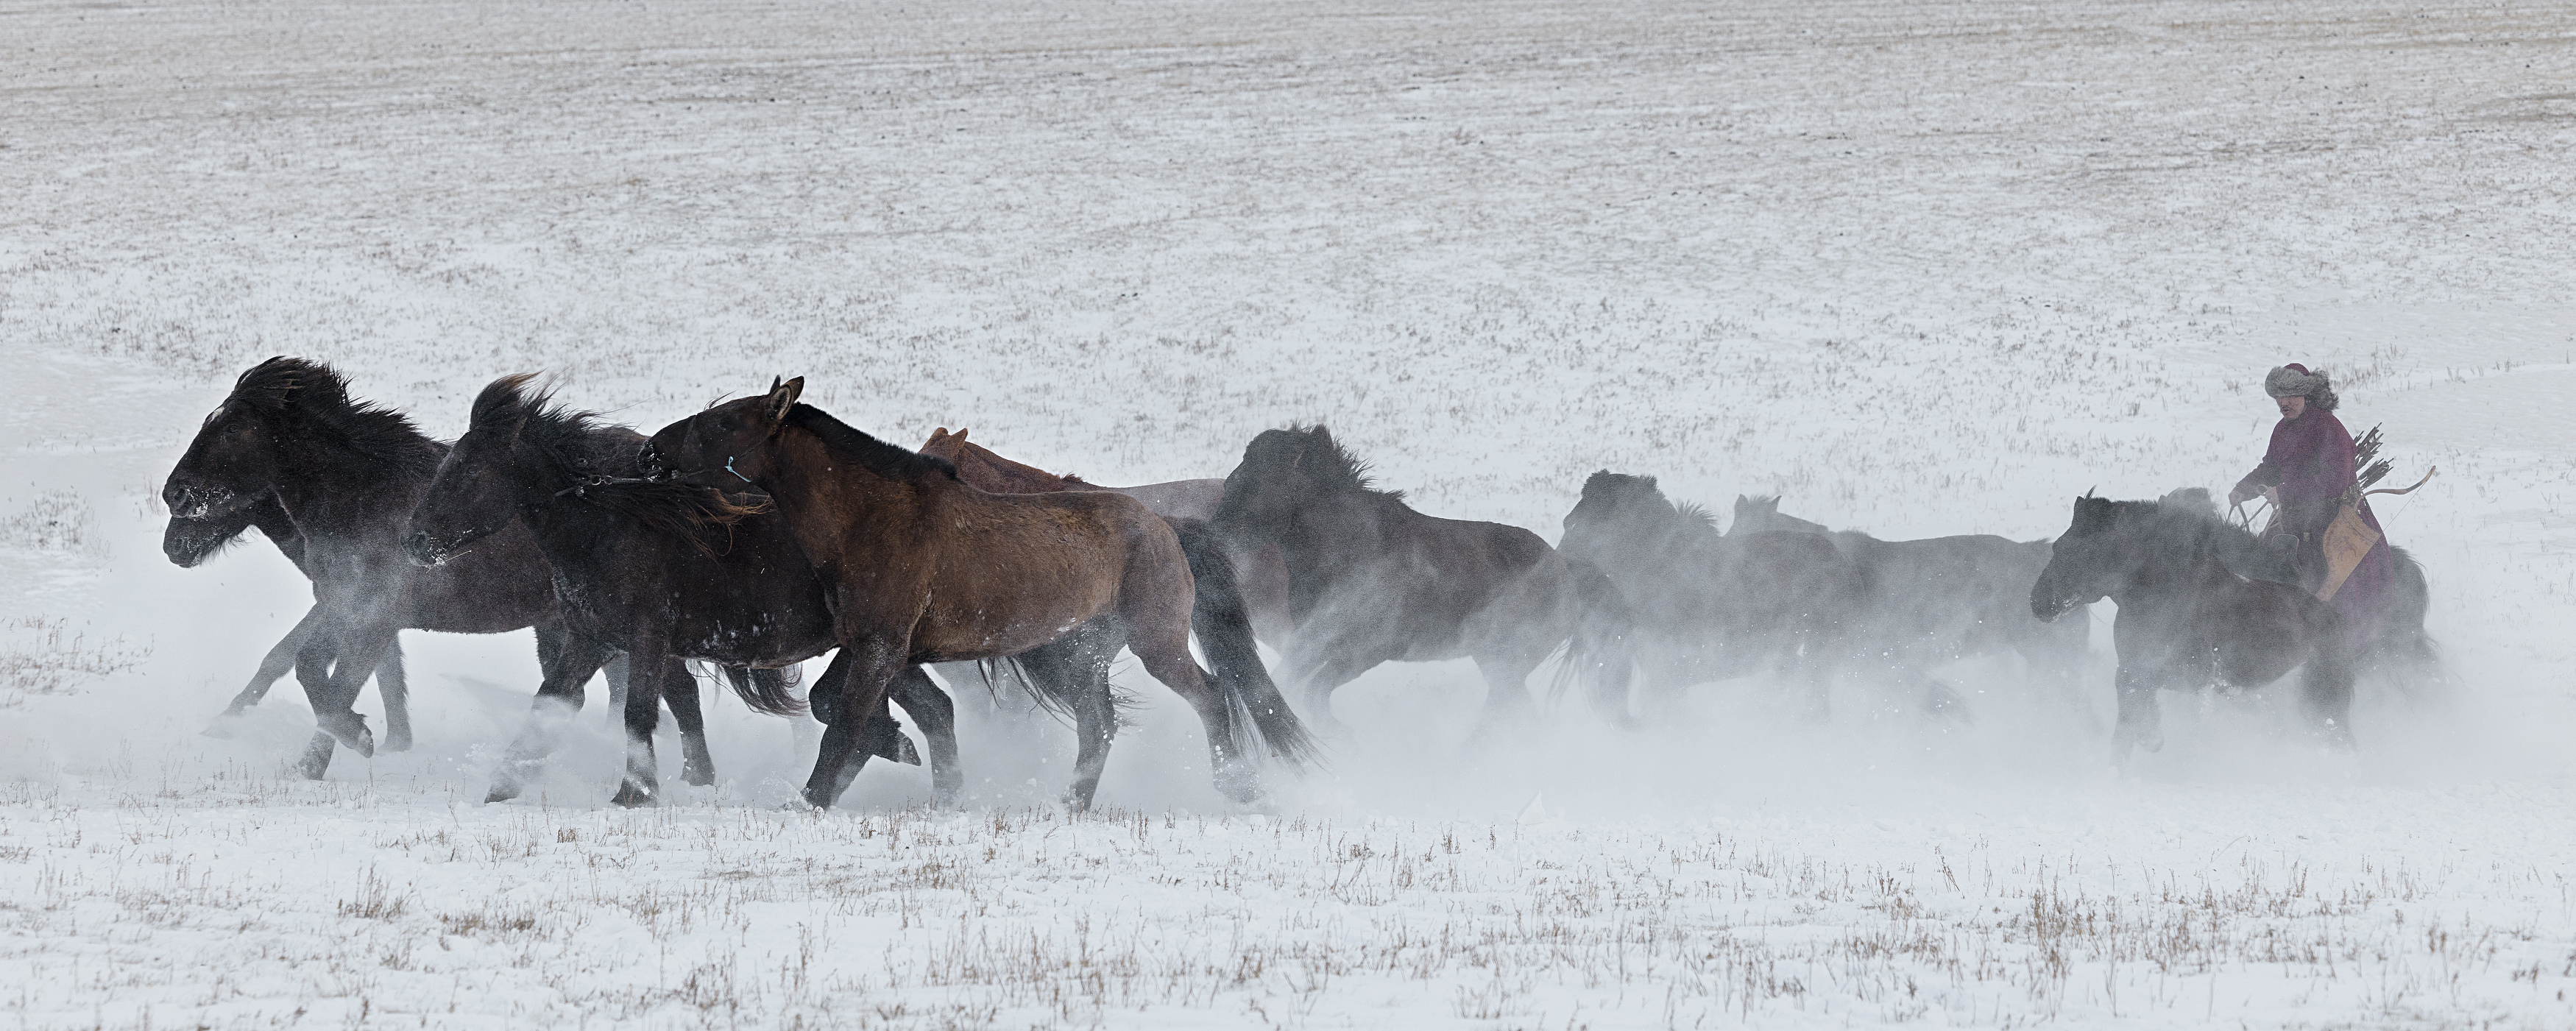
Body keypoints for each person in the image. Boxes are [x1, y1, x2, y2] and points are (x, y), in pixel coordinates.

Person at [2228, 364, 2393, 651]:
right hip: (2296, 520)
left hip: (2335, 522)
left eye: (2291, 395)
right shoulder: (2281, 430)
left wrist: (2286, 493)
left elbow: (2335, 481)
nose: (2284, 403)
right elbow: (2271, 469)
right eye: (2279, 396)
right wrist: (2243, 489)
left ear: (2307, 395)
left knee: (2339, 593)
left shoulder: (2331, 429)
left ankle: (2346, 648)